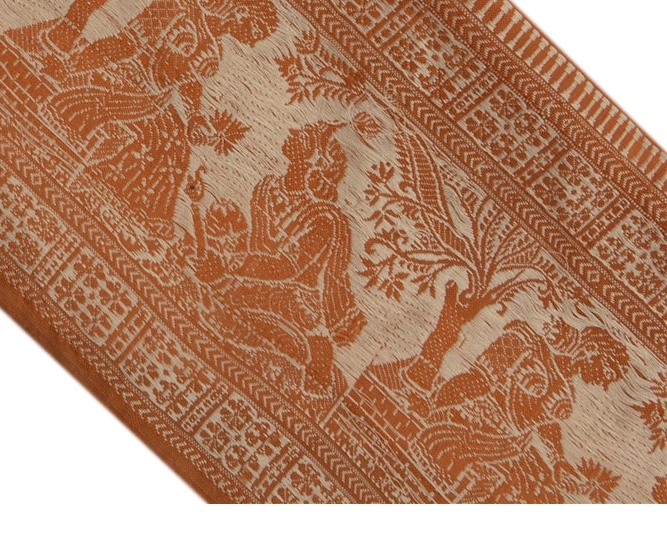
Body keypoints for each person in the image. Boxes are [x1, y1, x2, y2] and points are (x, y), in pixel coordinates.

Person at [44, 0, 276, 234]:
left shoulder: (214, 52)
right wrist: (76, 65)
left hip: (154, 101)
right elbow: (127, 42)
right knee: (155, 133)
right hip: (127, 76)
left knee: (176, 144)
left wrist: (194, 117)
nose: (253, 41)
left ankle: (129, 210)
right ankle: (92, 180)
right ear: (241, 12)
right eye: (256, 30)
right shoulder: (178, 5)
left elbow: (189, 84)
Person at [193, 121, 367, 400]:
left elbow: (287, 267)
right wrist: (223, 244)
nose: (292, 132)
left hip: (294, 298)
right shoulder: (267, 187)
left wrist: (231, 266)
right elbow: (255, 244)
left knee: (227, 300)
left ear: (316, 161)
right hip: (252, 279)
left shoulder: (324, 219)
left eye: (303, 136)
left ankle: (317, 352)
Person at [415, 317, 629, 502]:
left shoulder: (567, 395)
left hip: (505, 449)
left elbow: (545, 423)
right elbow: (477, 380)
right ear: (591, 351)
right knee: (435, 455)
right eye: (605, 370)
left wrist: (558, 461)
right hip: (473, 421)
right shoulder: (527, 344)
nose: (604, 382)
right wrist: (435, 406)